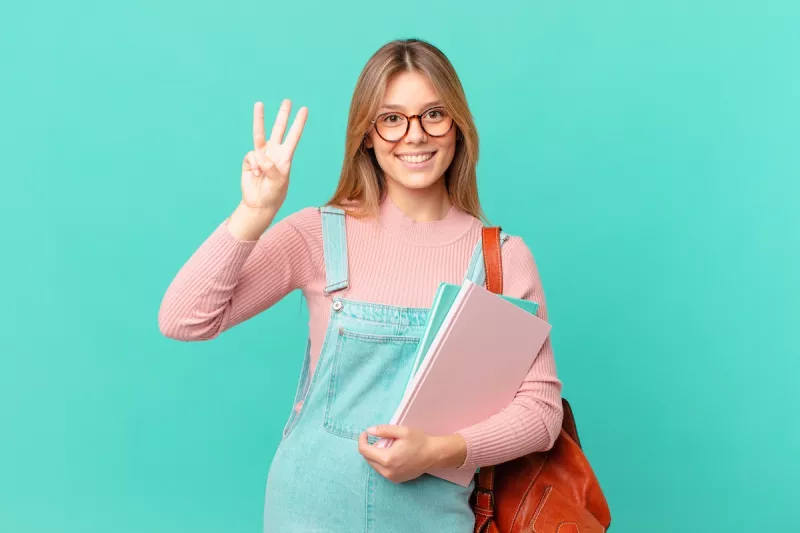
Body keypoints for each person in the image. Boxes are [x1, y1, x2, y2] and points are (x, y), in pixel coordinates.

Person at [158, 38, 563, 533]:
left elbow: (542, 415)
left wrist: (440, 450)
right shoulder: (316, 234)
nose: (414, 136)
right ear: (366, 135)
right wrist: (254, 213)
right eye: (392, 119)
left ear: (458, 126)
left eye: (433, 114)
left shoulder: (500, 259)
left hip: (432, 519)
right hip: (306, 512)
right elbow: (183, 319)